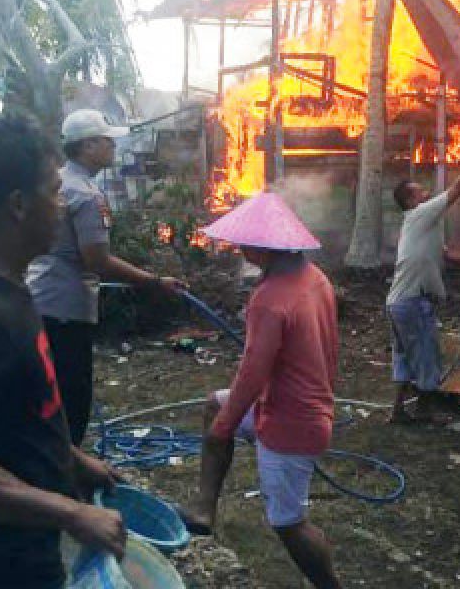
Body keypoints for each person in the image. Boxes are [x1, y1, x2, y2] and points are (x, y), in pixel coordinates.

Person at [0, 113, 125, 588]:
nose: (61, 205)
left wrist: (73, 461)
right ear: (18, 205)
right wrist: (71, 513)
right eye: (54, 191)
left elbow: (15, 414)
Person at [177, 192, 342, 589]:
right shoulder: (314, 277)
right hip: (298, 403)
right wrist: (225, 416)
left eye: (244, 244)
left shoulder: (270, 299)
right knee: (212, 406)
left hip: (292, 421)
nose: (240, 249)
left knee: (288, 524)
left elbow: (252, 373)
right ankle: (204, 510)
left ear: (261, 247)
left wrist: (226, 425)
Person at [27, 108, 185, 445]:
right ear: (87, 147)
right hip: (67, 310)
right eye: (107, 141)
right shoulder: (86, 195)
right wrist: (154, 282)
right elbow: (97, 260)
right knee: (72, 398)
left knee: (43, 394)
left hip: (39, 300)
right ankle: (66, 471)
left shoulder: (55, 183)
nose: (114, 147)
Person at [386, 144, 460, 423]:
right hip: (413, 301)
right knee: (426, 354)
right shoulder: (421, 214)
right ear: (411, 201)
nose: (427, 193)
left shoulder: (423, 224)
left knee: (404, 356)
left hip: (398, 302)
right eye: (420, 191)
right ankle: (426, 410)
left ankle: (398, 411)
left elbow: (448, 255)